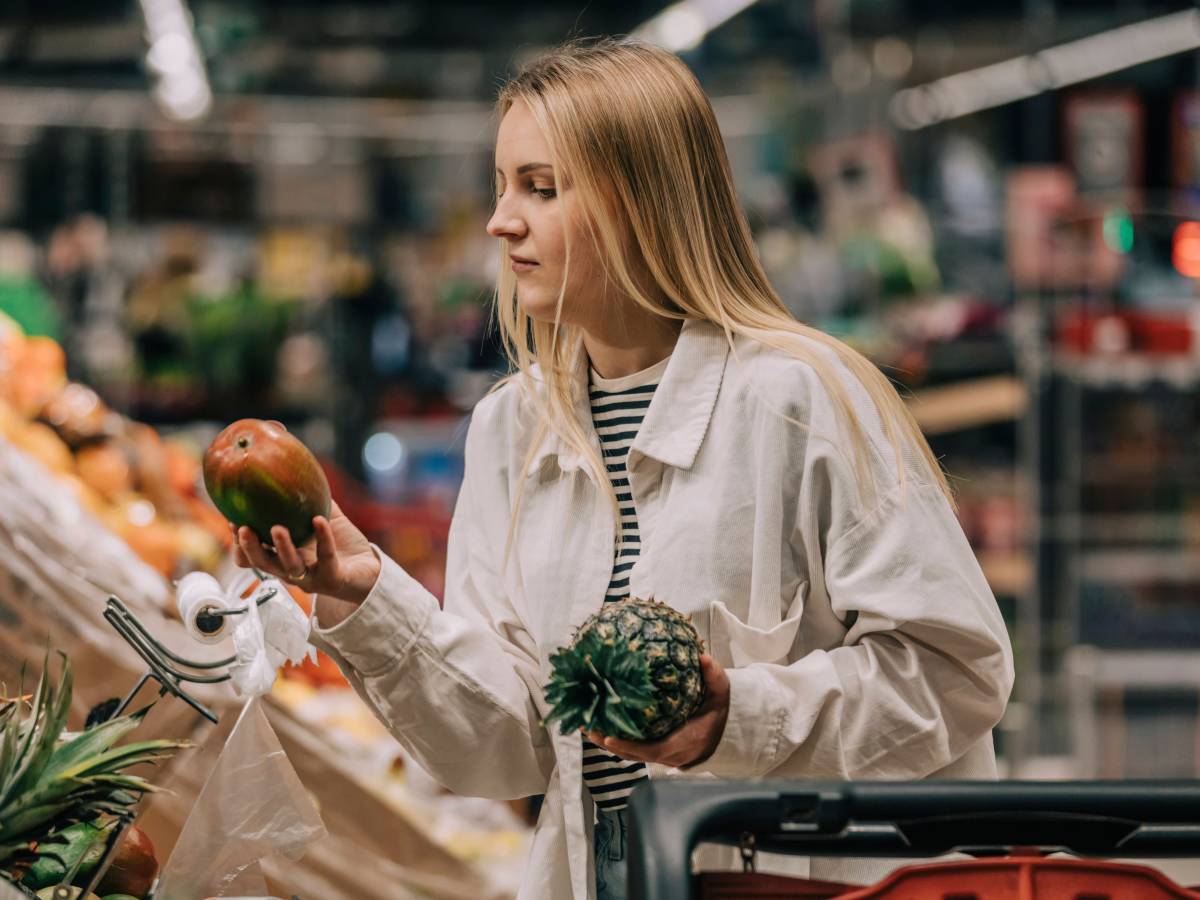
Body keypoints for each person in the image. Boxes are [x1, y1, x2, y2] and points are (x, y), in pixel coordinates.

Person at [234, 37, 1014, 900]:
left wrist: (738, 718)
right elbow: (505, 746)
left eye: (541, 188)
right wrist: (365, 593)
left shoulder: (803, 399)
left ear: (641, 203)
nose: (501, 222)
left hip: (802, 883)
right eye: (501, 187)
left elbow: (956, 672)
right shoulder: (511, 429)